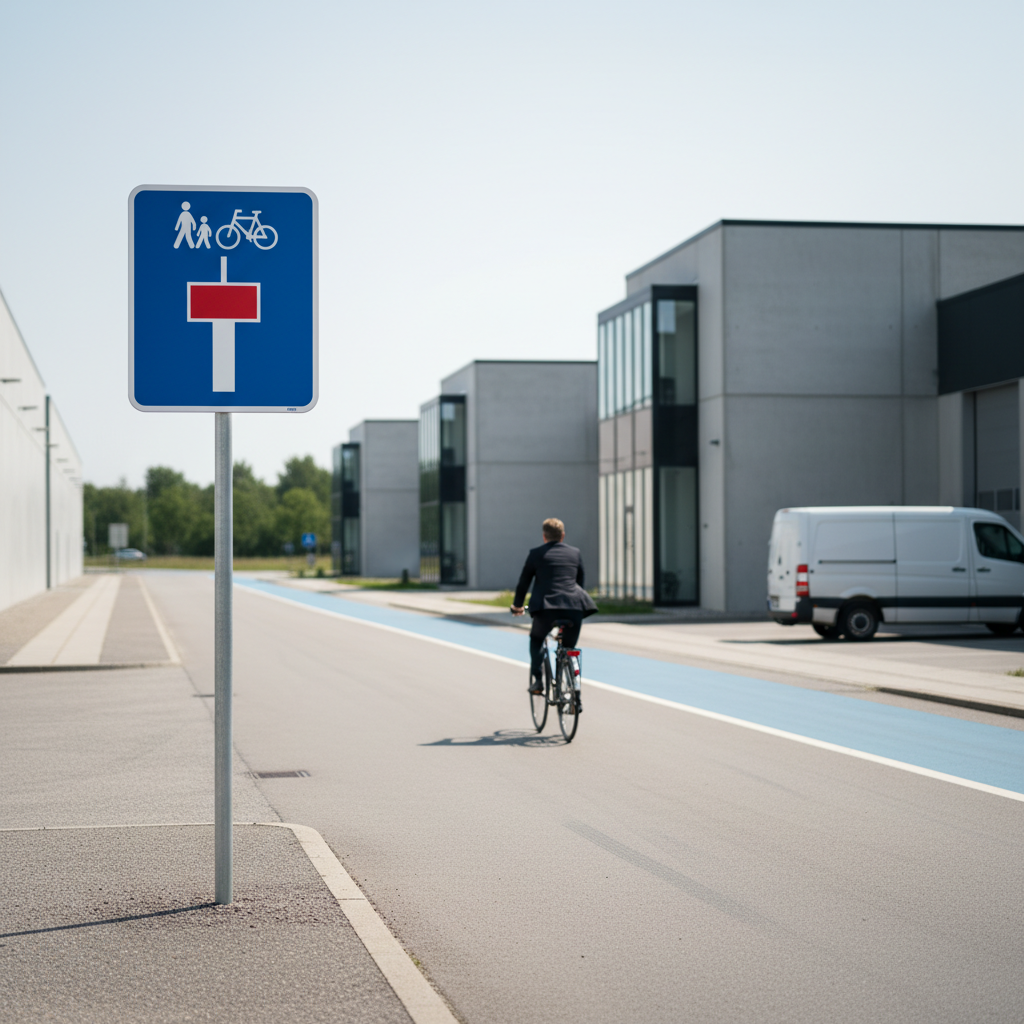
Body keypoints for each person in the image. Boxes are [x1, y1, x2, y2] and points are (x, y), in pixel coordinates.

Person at [511, 517, 597, 696]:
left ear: (544, 537)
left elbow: (523, 583)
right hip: (574, 606)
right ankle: (573, 689)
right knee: (569, 647)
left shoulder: (536, 554)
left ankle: (538, 681)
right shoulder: (575, 553)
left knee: (536, 639)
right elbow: (579, 582)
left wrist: (518, 606)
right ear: (562, 536)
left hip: (546, 608)